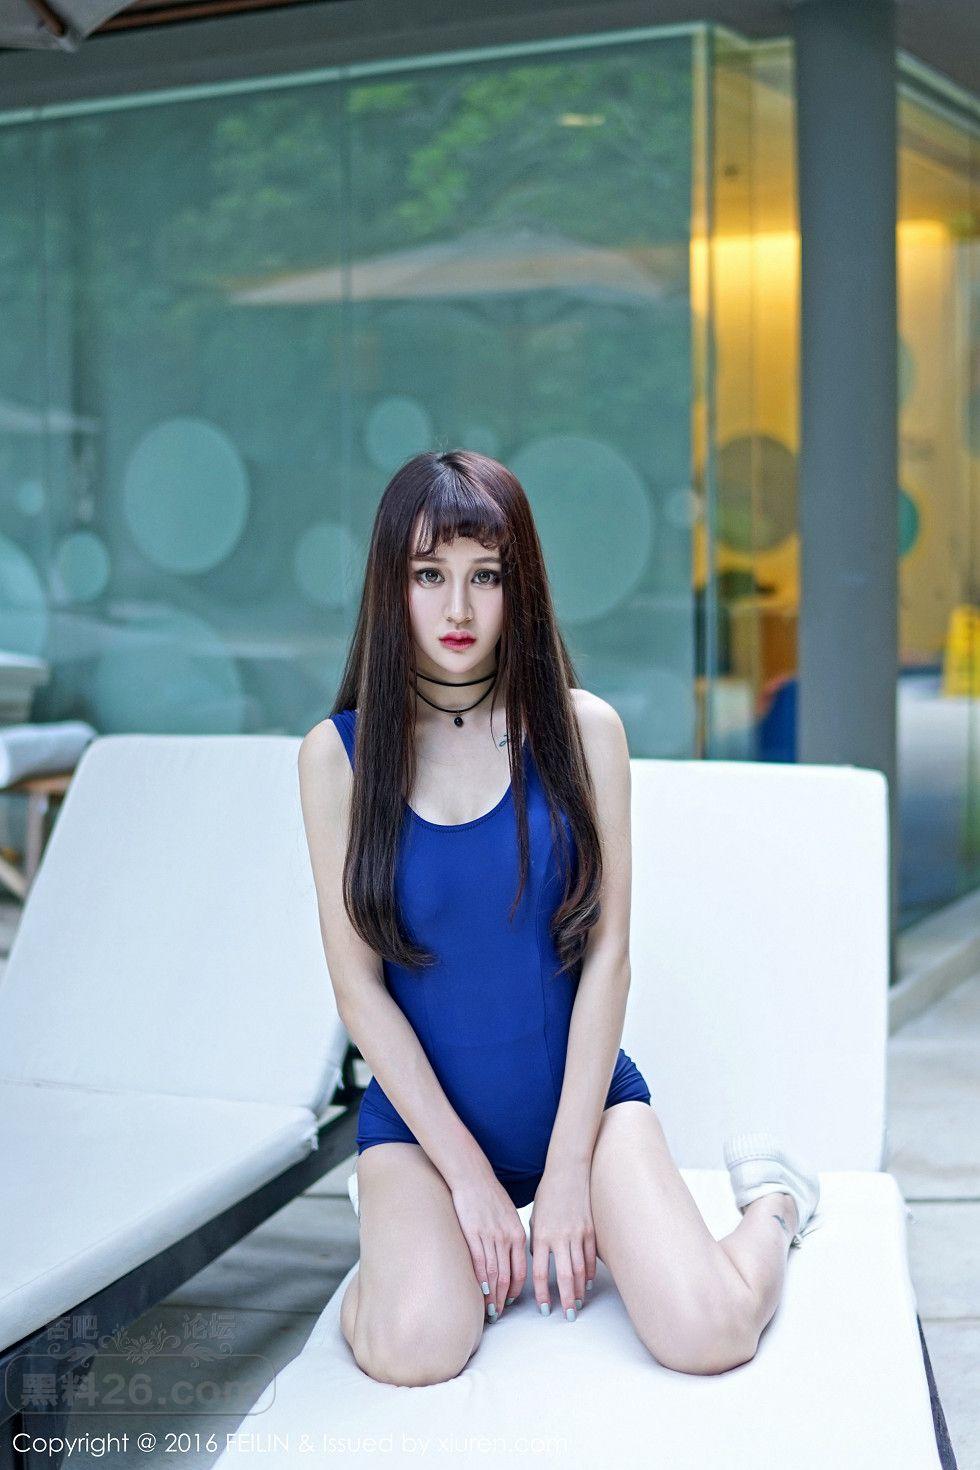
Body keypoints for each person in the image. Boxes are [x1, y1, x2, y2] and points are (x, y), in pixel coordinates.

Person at [297, 449, 821, 1389]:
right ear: (390, 585)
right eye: (429, 575)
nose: (458, 608)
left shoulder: (585, 733)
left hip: (584, 1107)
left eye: (486, 576)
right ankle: (395, 1245)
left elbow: (609, 956)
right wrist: (466, 1183)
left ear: (521, 585)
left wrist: (571, 1170)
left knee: (709, 1335)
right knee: (415, 1349)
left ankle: (776, 1204)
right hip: (422, 1131)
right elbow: (357, 991)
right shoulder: (337, 759)